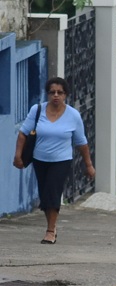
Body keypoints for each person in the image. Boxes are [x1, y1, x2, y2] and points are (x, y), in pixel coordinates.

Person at [11, 77, 95, 244]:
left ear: (65, 95)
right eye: (52, 92)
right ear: (48, 94)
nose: (56, 95)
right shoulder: (37, 110)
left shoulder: (73, 115)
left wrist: (89, 165)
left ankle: (50, 231)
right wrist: (18, 156)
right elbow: (23, 134)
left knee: (53, 192)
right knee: (45, 194)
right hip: (39, 159)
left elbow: (81, 143)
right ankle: (52, 225)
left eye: (60, 92)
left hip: (61, 160)